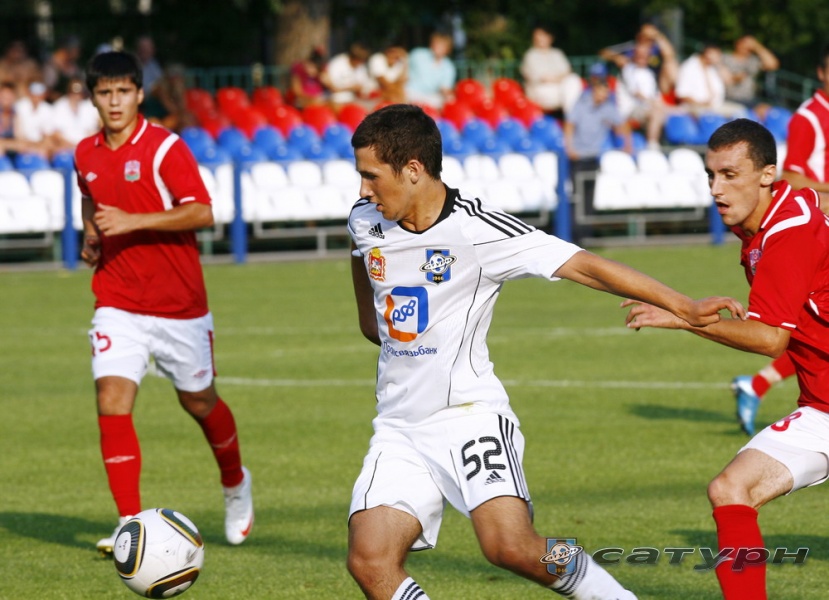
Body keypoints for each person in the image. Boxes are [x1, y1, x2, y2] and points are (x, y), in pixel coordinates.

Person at [345, 103, 743, 600]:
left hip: (467, 416)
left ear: (412, 169)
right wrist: (380, 327)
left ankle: (611, 594)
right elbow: (367, 278)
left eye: (371, 176)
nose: (363, 189)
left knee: (513, 547)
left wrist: (682, 304)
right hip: (399, 427)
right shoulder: (365, 220)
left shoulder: (479, 230)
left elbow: (584, 265)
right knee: (370, 560)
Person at [624, 118, 829, 600]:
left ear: (767, 175)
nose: (716, 188)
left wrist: (685, 317)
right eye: (711, 175)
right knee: (730, 489)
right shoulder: (769, 220)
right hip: (821, 409)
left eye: (730, 175)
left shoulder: (788, 229)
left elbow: (770, 339)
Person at [75, 51, 253, 554]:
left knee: (199, 402)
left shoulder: (164, 148)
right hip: (116, 300)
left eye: (123, 91)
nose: (114, 102)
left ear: (139, 94)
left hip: (179, 304)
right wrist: (92, 234)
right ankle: (129, 525)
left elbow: (202, 212)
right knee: (111, 400)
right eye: (105, 93)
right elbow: (90, 196)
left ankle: (235, 482)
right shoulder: (85, 152)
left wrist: (132, 222)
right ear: (93, 98)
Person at [730, 44, 829, 436]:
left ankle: (756, 385)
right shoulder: (809, 118)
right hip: (813, 229)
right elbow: (793, 176)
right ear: (821, 73)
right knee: (803, 322)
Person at [563, 62, 632, 234]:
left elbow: (622, 125)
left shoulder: (607, 107)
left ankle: (585, 232)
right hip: (578, 157)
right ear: (595, 90)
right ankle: (574, 232)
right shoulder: (581, 103)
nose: (604, 95)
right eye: (602, 92)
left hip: (593, 157)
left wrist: (627, 145)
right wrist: (570, 147)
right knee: (577, 195)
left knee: (589, 196)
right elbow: (570, 125)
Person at [605, 42, 670, 149]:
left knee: (678, 111)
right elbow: (637, 94)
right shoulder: (628, 69)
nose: (642, 57)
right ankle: (652, 145)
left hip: (648, 108)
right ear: (634, 55)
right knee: (657, 112)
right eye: (639, 54)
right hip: (630, 110)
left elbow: (656, 97)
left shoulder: (649, 73)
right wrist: (655, 104)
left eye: (645, 54)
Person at [519, 23, 583, 117]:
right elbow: (541, 78)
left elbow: (567, 72)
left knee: (573, 80)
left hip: (560, 87)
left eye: (543, 35)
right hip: (541, 90)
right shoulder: (530, 55)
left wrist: (558, 79)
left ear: (550, 38)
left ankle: (571, 119)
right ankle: (572, 119)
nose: (540, 39)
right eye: (538, 36)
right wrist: (558, 78)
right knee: (569, 95)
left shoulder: (557, 53)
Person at [599, 23, 678, 97]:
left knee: (670, 63)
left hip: (658, 83)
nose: (646, 40)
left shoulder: (657, 49)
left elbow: (670, 55)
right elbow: (604, 53)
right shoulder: (631, 47)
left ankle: (679, 91)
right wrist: (617, 58)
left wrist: (657, 36)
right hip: (635, 84)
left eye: (650, 37)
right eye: (645, 36)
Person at [675, 43, 748, 119]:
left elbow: (728, 80)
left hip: (714, 106)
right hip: (694, 107)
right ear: (708, 52)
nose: (719, 57)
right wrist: (700, 104)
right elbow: (682, 94)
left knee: (740, 111)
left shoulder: (712, 68)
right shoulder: (689, 67)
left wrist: (719, 64)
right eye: (717, 55)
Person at [721, 35, 779, 117]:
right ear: (738, 44)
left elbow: (772, 64)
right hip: (729, 98)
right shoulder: (725, 58)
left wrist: (757, 46)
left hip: (749, 99)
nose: (747, 48)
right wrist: (734, 78)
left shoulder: (752, 61)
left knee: (771, 113)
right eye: (745, 44)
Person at [404, 31, 456, 109]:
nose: (438, 47)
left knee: (450, 100)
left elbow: (445, 88)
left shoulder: (449, 67)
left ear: (448, 49)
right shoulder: (417, 54)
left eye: (442, 45)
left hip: (431, 97)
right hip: (411, 92)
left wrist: (449, 96)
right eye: (437, 44)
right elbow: (402, 67)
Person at [50, 77, 101, 154]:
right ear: (69, 92)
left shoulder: (88, 107)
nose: (76, 96)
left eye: (79, 93)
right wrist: (71, 145)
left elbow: (94, 130)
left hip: (86, 147)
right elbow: (55, 133)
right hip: (65, 147)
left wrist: (84, 145)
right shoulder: (59, 106)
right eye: (73, 93)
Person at [321, 41, 372, 109]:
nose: (360, 63)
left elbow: (363, 87)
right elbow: (333, 88)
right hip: (335, 100)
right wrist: (351, 87)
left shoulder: (361, 67)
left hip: (353, 100)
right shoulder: (337, 63)